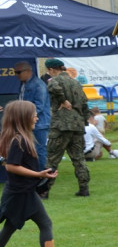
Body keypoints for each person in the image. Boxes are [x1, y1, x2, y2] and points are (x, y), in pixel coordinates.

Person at [0, 100, 78, 247]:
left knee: (16, 227)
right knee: (40, 224)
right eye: (33, 114)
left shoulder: (21, 137)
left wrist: (41, 174)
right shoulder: (18, 140)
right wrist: (38, 175)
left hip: (22, 192)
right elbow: (11, 166)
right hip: (20, 194)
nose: (36, 117)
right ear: (22, 117)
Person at [42, 58, 90, 198]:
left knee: (52, 158)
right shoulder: (76, 83)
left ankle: (44, 190)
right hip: (77, 125)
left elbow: (53, 87)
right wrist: (84, 121)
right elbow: (85, 104)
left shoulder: (54, 80)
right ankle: (84, 188)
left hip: (61, 126)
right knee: (79, 158)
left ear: (51, 70)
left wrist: (63, 100)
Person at [15, 61, 50, 164]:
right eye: (15, 72)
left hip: (39, 123)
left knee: (39, 150)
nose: (16, 75)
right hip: (27, 122)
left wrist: (24, 117)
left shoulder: (38, 85)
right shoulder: (23, 84)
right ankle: (33, 175)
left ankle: (42, 176)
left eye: (18, 72)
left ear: (28, 71)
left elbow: (39, 106)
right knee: (28, 150)